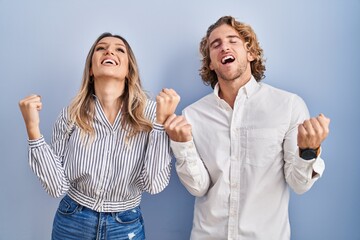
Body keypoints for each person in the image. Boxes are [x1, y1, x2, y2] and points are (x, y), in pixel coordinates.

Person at [164, 16, 330, 240]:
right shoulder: (193, 115)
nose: (224, 47)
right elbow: (198, 187)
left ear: (251, 53)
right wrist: (181, 144)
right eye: (216, 44)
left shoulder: (288, 105)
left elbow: (298, 184)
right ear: (211, 63)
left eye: (233, 41)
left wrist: (308, 151)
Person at [19, 32, 179, 240]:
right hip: (72, 221)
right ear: (91, 69)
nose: (109, 51)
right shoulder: (71, 114)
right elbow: (57, 186)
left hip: (126, 225)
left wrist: (160, 124)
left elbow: (154, 184)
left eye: (119, 49)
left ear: (129, 71)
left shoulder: (152, 114)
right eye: (101, 48)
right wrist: (33, 128)